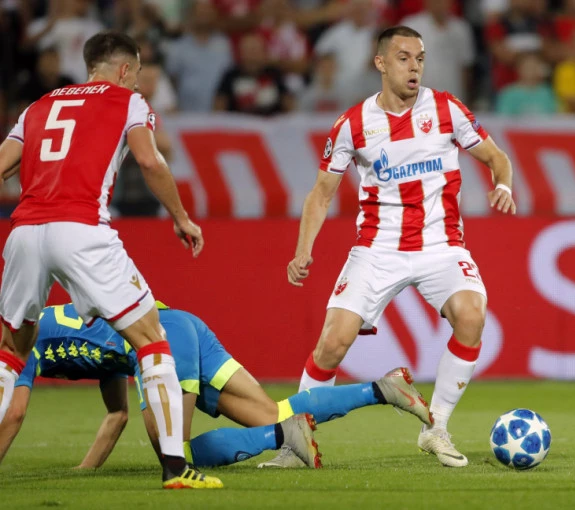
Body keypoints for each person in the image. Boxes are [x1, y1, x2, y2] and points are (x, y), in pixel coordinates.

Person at [278, 25, 516, 469]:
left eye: (420, 58)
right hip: (378, 247)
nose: (414, 67)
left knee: (472, 315)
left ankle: (435, 427)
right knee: (332, 343)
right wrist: (303, 249)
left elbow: (496, 157)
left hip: (441, 244)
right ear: (381, 63)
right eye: (404, 58)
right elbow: (321, 194)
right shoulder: (352, 124)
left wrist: (503, 184)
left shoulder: (446, 109)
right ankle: (295, 444)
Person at [0, 31, 218, 489]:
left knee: (11, 353)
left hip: (24, 232)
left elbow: (3, 165)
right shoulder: (127, 101)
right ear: (124, 70)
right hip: (82, 229)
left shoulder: (38, 106)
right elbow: (150, 161)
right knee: (152, 338)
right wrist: (180, 217)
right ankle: (175, 468)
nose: (137, 82)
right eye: (135, 73)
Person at [0, 303, 432, 469]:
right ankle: (383, 389)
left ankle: (282, 437)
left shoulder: (19, 339)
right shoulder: (57, 329)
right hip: (181, 323)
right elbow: (117, 414)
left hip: (159, 341)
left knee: (176, 453)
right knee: (274, 411)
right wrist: (84, 472)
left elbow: (14, 414)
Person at [495, 52, 558, 117]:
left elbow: (554, 115)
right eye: (527, 66)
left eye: (534, 66)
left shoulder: (547, 92)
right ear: (518, 68)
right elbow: (502, 117)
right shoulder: (508, 93)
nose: (531, 70)